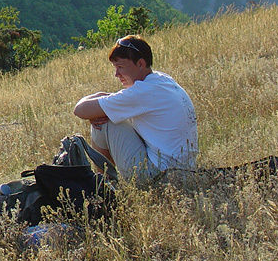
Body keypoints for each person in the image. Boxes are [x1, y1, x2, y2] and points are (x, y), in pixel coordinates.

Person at [73, 35, 198, 184]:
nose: (116, 74)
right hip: (184, 172)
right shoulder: (163, 80)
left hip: (160, 177)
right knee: (108, 112)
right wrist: (107, 101)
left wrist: (102, 101)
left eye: (120, 67)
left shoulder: (142, 92)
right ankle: (106, 182)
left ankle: (104, 187)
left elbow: (80, 110)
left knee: (105, 123)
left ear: (140, 63)